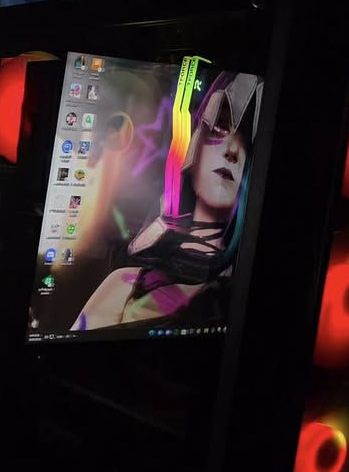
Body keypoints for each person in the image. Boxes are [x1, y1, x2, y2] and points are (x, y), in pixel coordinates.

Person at [72, 72, 260, 331]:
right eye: (220, 127)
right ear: (195, 141)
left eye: (248, 143)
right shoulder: (126, 283)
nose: (232, 150)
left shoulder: (240, 293)